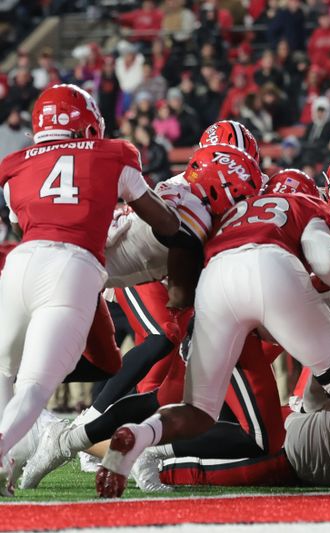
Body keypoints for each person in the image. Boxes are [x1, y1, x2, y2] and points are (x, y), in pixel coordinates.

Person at [94, 150, 330, 498]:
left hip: (217, 281)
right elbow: (327, 263)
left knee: (197, 409)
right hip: (272, 271)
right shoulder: (309, 205)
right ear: (324, 193)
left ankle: (139, 436)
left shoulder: (239, 210)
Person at [0, 84, 179, 495]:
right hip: (74, 266)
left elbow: (19, 223)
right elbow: (164, 222)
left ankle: (22, 442)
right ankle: (12, 447)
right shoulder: (114, 153)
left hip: (21, 263)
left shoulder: (13, 165)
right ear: (86, 124)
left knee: (7, 370)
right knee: (32, 386)